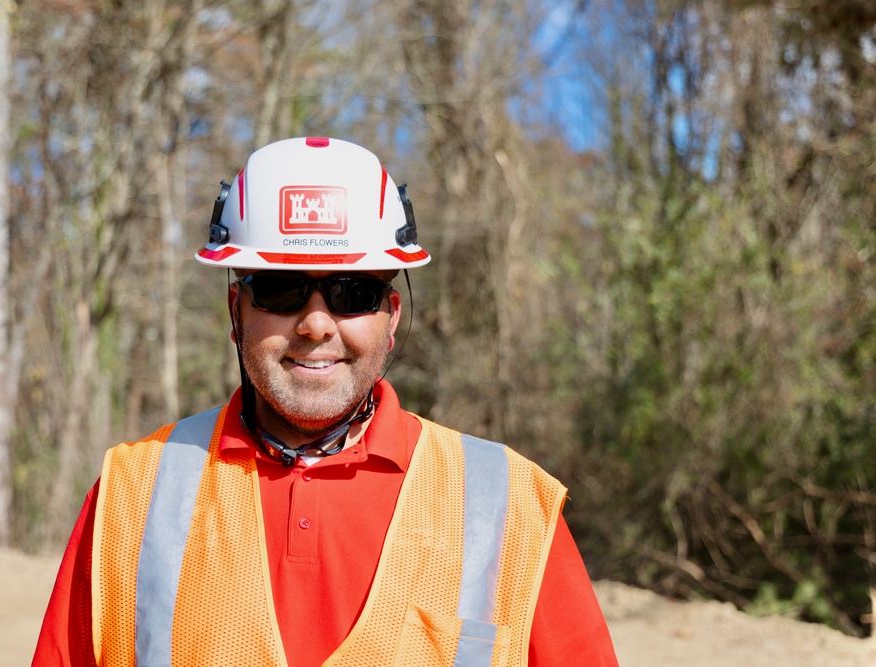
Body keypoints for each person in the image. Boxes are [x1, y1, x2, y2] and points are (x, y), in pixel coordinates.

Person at [32, 137, 618, 666]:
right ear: (236, 313)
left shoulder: (508, 506)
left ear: (391, 317)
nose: (315, 323)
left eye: (352, 292)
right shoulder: (133, 496)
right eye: (281, 289)